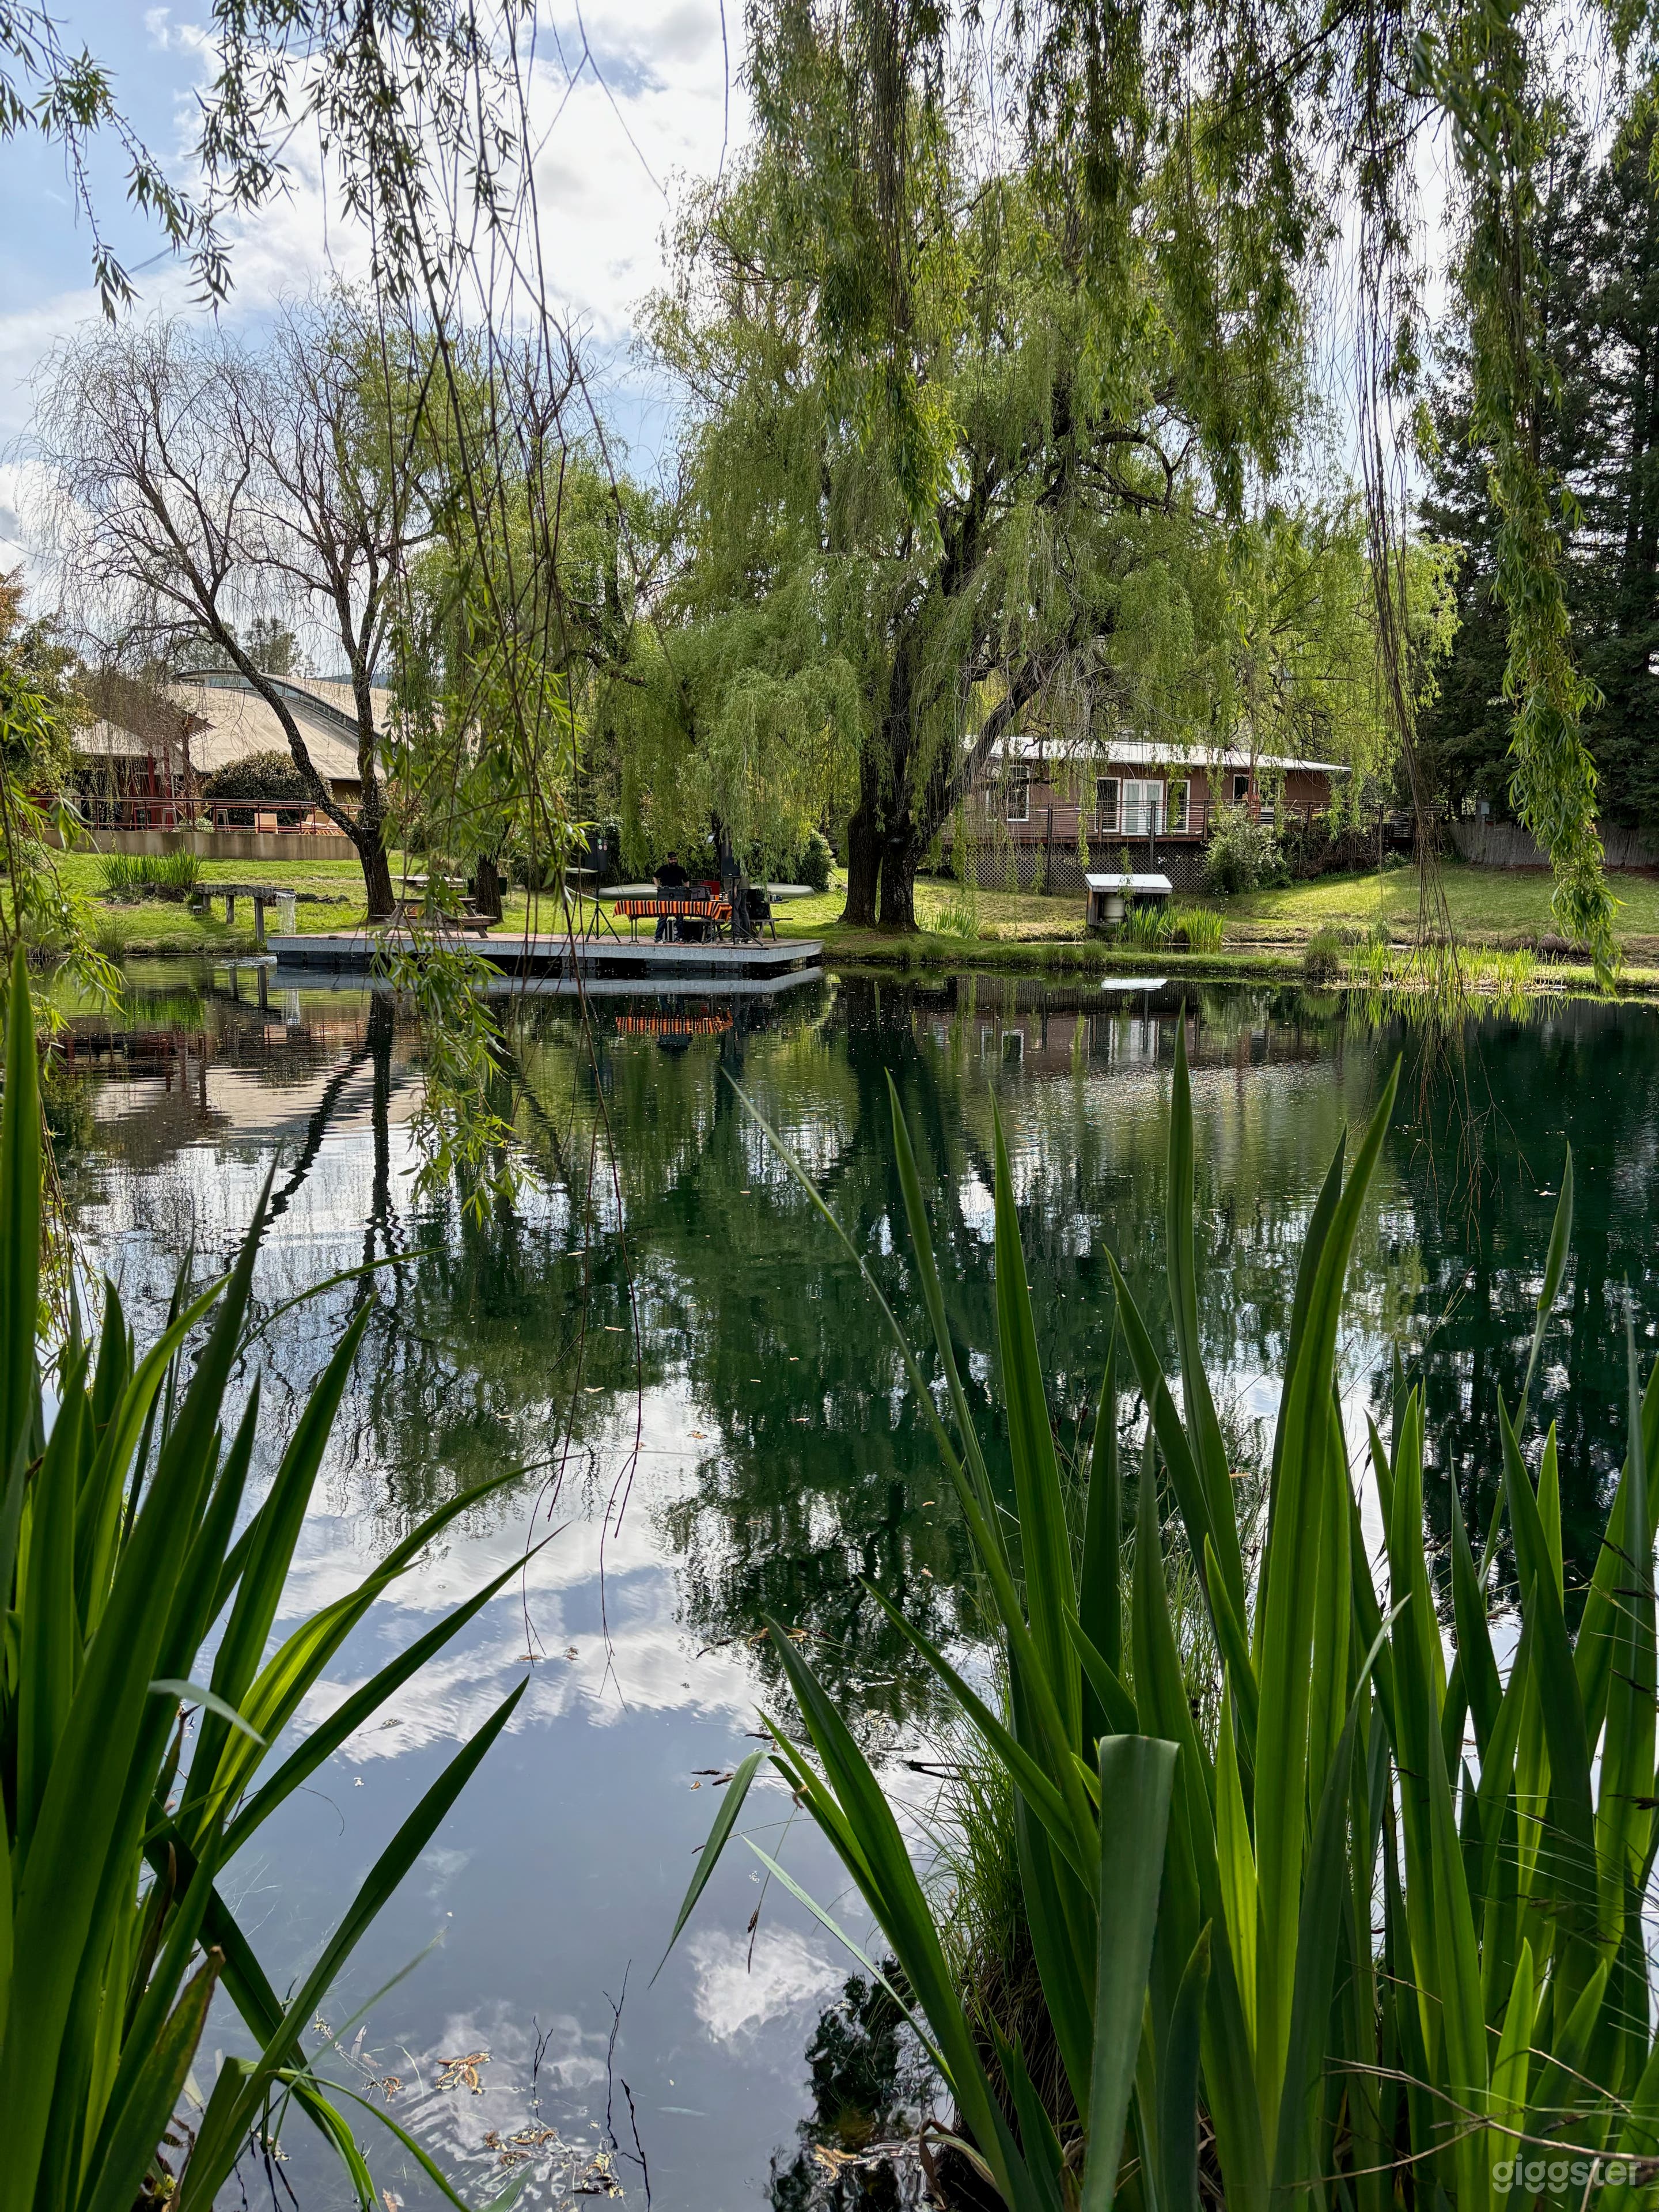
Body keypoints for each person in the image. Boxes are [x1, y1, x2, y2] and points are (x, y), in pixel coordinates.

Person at [654, 850, 689, 941]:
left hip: (678, 896)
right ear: (668, 860)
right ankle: (658, 937)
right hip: (665, 896)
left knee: (680, 918)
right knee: (663, 918)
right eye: (672, 859)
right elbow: (655, 876)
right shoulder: (663, 869)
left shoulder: (681, 870)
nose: (674, 861)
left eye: (675, 859)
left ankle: (680, 937)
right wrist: (658, 887)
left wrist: (686, 891)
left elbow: (686, 881)